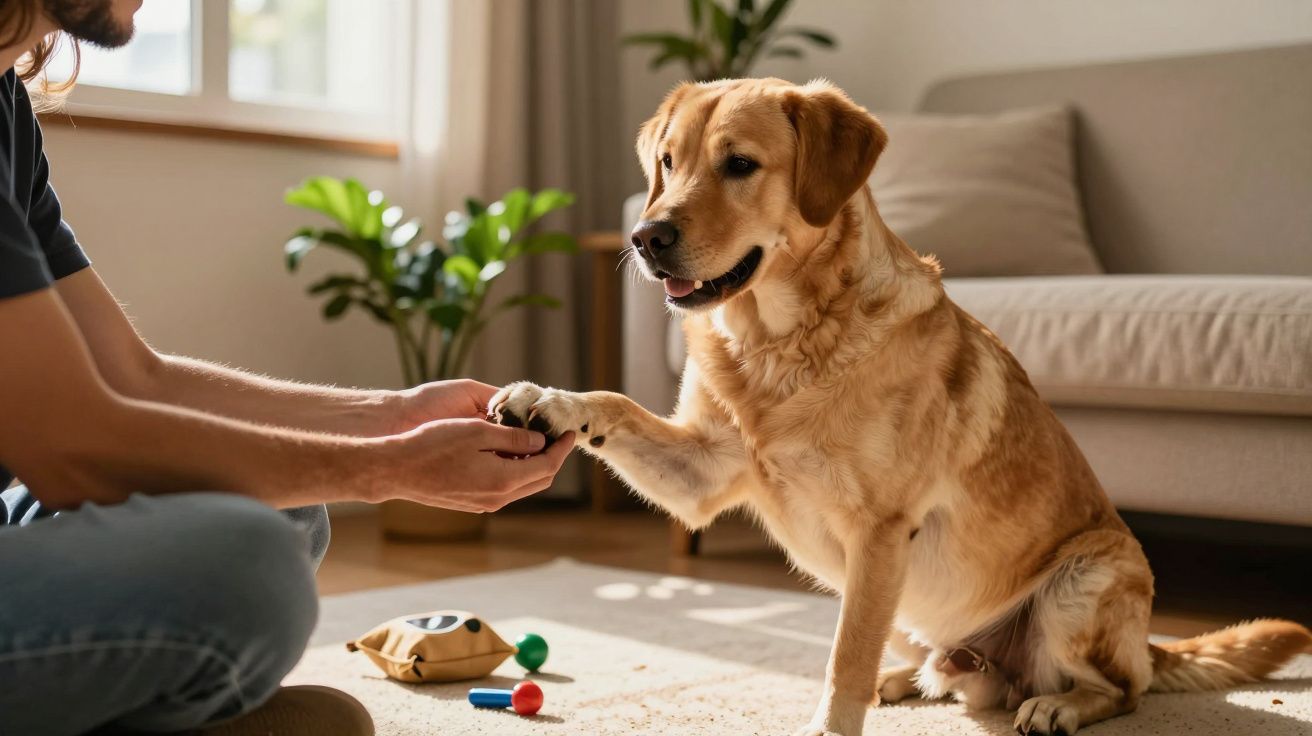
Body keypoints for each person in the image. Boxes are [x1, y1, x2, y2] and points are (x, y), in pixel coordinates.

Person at [0, 2, 574, 733]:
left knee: (281, 502)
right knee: (248, 563)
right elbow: (75, 456)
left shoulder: (6, 107)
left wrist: (393, 417)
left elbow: (134, 378)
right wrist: (391, 469)